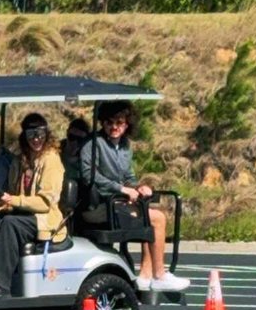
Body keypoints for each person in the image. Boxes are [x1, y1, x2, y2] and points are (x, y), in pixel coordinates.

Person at [79, 100, 189, 291]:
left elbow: (128, 176)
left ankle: (146, 275)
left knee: (150, 212)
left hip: (117, 203)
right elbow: (89, 176)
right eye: (109, 122)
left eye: (119, 123)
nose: (114, 127)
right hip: (99, 205)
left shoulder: (125, 146)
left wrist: (138, 187)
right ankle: (159, 274)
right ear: (102, 122)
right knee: (157, 219)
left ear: (127, 124)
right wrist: (120, 189)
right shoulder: (92, 144)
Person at [0, 113, 67, 299]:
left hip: (45, 220)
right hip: (22, 214)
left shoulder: (51, 160)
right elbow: (13, 196)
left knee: (10, 224)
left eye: (40, 133)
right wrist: (1, 205)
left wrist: (12, 202)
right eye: (31, 134)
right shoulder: (20, 161)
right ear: (25, 136)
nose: (36, 139)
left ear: (46, 134)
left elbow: (45, 203)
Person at [60, 116, 91, 182]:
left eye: (80, 139)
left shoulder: (88, 160)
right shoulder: (55, 152)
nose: (75, 142)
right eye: (72, 137)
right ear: (67, 133)